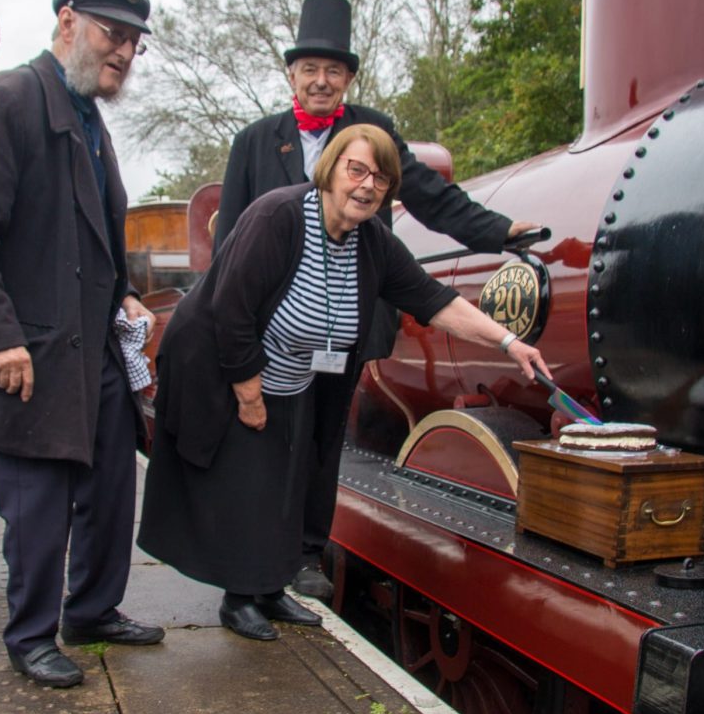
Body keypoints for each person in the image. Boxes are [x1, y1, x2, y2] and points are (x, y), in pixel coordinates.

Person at [138, 123, 550, 641]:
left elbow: (433, 300)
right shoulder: (278, 217)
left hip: (300, 375)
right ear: (330, 168)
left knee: (292, 482)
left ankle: (270, 588)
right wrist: (247, 391)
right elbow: (231, 308)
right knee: (246, 482)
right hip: (228, 364)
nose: (367, 185)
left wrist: (508, 342)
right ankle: (238, 597)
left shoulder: (372, 239)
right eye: (357, 169)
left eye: (380, 177)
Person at [214, 0, 540, 599]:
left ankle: (307, 558)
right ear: (291, 75)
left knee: (323, 443)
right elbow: (230, 238)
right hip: (270, 333)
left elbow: (432, 200)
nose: (320, 80)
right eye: (309, 69)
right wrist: (225, 338)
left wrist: (500, 231)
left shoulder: (377, 135)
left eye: (333, 70)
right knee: (264, 446)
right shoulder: (255, 142)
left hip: (343, 330)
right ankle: (248, 573)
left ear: (349, 78)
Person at [0, 0, 164, 690]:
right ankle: (29, 637)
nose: (123, 50)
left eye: (132, 41)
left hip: (87, 345)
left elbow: (88, 236)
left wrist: (123, 292)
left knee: (109, 488)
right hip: (25, 350)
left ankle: (90, 610)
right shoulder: (11, 99)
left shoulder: (88, 117)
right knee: (36, 509)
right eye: (110, 33)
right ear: (67, 21)